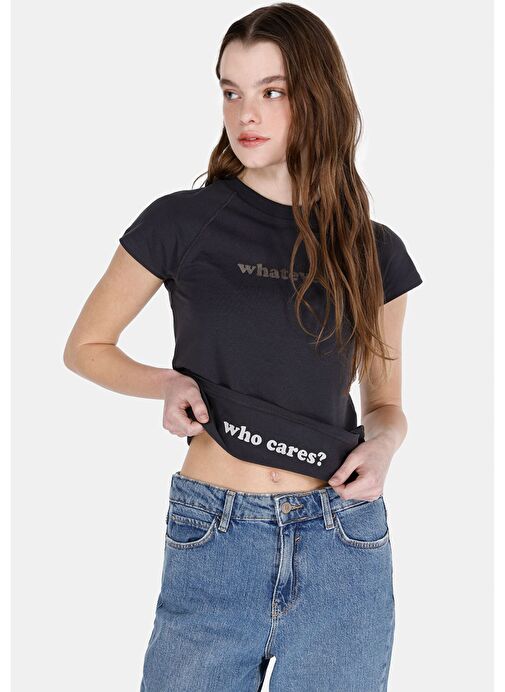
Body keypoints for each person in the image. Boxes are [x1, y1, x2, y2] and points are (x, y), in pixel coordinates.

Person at [63, 3, 423, 690]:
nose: (245, 114)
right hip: (215, 533)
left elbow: (385, 405)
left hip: (343, 542)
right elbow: (86, 345)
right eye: (231, 92)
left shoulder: (373, 250)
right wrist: (166, 383)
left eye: (271, 91)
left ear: (318, 97)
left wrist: (381, 449)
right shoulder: (181, 221)